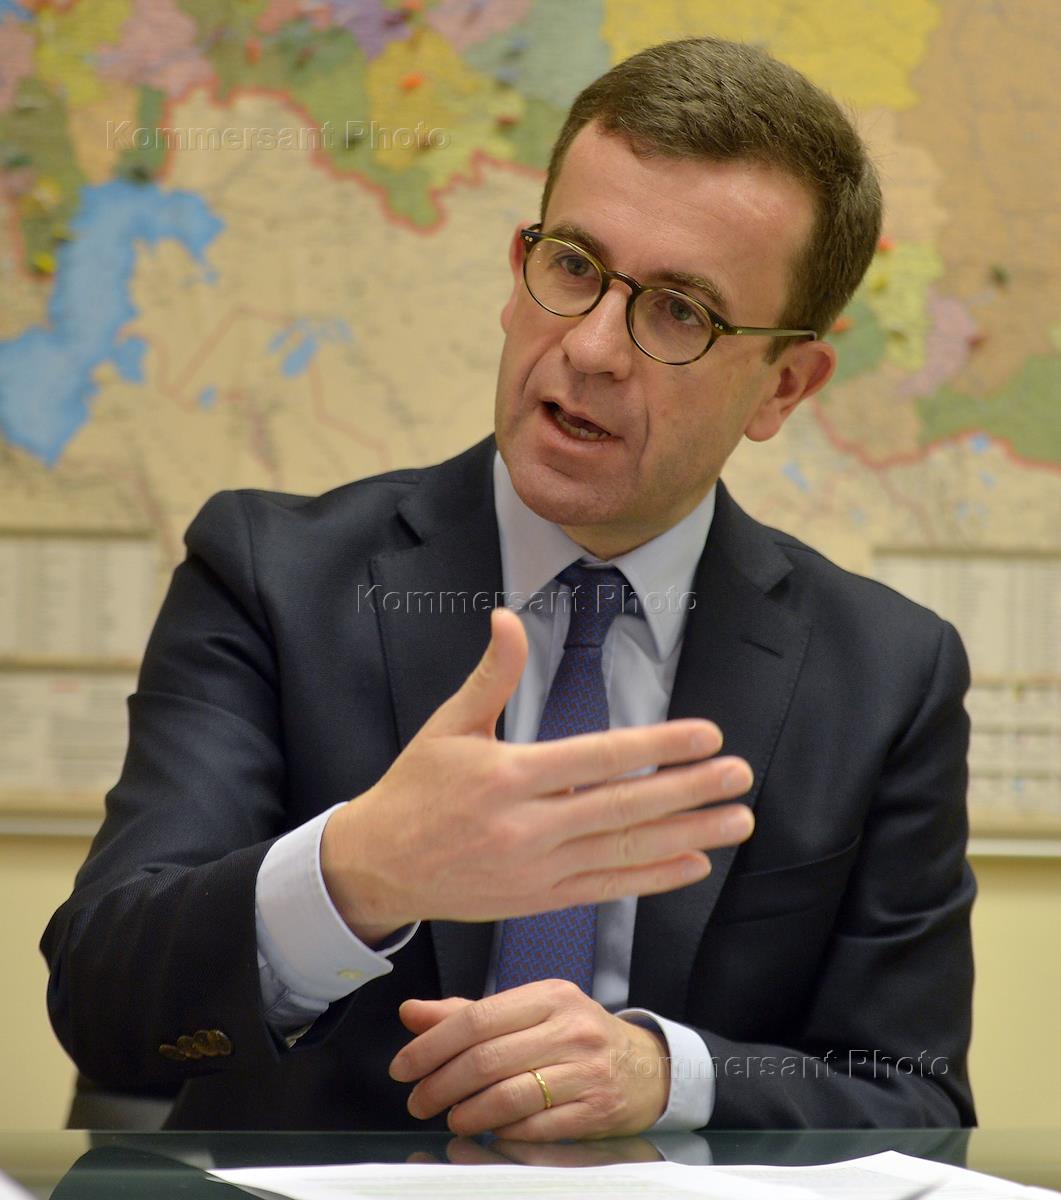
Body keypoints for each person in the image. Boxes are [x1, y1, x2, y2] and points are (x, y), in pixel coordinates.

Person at [42, 37, 975, 1135]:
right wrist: (358, 872)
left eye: (680, 311)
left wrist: (668, 1077)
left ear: (783, 386)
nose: (591, 348)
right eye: (573, 266)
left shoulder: (885, 674)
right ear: (518, 266)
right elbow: (104, 1009)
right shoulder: (271, 578)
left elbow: (913, 1094)